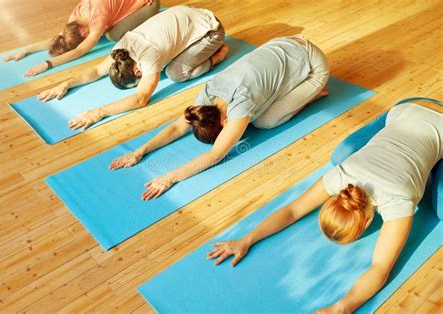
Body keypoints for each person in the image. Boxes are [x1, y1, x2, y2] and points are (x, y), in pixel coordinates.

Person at [206, 99, 442, 313]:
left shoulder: (397, 202)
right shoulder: (342, 177)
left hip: (433, 119)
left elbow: (380, 267)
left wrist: (342, 308)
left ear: (368, 221)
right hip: (405, 108)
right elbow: (291, 212)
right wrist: (246, 239)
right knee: (341, 156)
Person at [109, 35, 330, 201]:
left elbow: (216, 155)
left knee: (264, 122)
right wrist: (139, 151)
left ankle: (309, 94)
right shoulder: (207, 97)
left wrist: (170, 177)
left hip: (312, 64)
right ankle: (291, 89)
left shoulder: (241, 105)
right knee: (257, 111)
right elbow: (177, 128)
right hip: (282, 44)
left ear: (224, 123)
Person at [37, 5, 229, 130]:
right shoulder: (122, 48)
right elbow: (96, 71)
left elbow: (140, 99)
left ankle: (218, 55)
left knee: (175, 73)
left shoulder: (149, 57)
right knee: (168, 63)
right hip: (187, 15)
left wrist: (98, 112)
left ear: (138, 71)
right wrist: (65, 84)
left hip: (211, 29)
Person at [3, 0, 160, 77]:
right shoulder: (76, 15)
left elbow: (79, 51)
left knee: (112, 35)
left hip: (149, 4)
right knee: (109, 29)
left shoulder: (98, 20)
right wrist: (26, 50)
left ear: (84, 35)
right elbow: (59, 36)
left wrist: (47, 65)